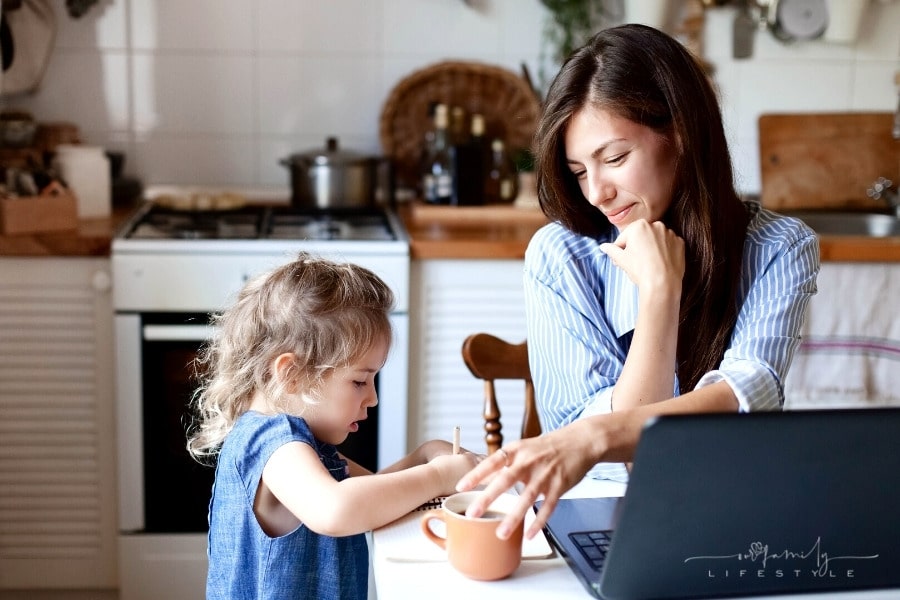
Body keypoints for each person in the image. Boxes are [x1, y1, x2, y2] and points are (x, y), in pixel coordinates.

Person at [456, 24, 819, 541]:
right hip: (601, 516)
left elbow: (746, 393)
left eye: (616, 158)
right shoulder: (561, 255)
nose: (598, 192)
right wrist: (658, 296)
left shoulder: (781, 247)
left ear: (681, 134)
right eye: (579, 171)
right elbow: (605, 465)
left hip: (728, 516)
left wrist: (593, 435)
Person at [186, 252, 481, 600]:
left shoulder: (306, 445)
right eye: (359, 382)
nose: (372, 398)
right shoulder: (275, 445)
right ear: (292, 374)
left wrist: (424, 456)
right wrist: (438, 477)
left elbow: (372, 494)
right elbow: (338, 509)